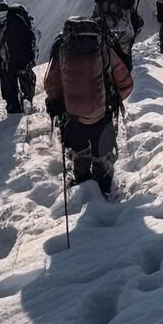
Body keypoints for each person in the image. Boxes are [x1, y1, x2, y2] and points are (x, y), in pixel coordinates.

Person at [44, 16, 134, 196]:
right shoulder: (104, 48)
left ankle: (83, 182)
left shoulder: (62, 48)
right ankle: (103, 189)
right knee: (103, 154)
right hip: (102, 114)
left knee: (79, 151)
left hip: (73, 115)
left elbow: (50, 84)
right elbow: (126, 82)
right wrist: (112, 101)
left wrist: (61, 101)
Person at [92, 0, 144, 64]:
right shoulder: (124, 1)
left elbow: (93, 19)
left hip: (104, 37)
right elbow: (134, 20)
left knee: (106, 60)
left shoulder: (100, 2)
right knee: (125, 60)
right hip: (123, 37)